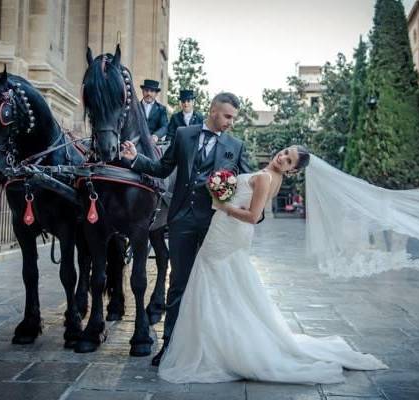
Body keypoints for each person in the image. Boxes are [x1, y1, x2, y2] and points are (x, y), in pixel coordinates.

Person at [154, 145, 387, 384]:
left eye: (289, 161)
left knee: (212, 278)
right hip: (230, 231)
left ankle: (214, 345)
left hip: (228, 230)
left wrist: (224, 205)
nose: (283, 157)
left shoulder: (266, 177)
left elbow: (254, 217)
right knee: (225, 283)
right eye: (286, 152)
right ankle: (219, 337)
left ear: (292, 171)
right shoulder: (270, 176)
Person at [121, 92, 252, 366]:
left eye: (234, 118)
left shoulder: (235, 146)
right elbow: (162, 167)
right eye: (228, 116)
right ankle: (171, 347)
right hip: (181, 221)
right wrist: (135, 159)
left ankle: (212, 349)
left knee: (213, 287)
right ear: (214, 110)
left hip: (214, 225)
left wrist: (254, 211)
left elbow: (248, 184)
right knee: (178, 284)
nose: (231, 122)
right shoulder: (184, 134)